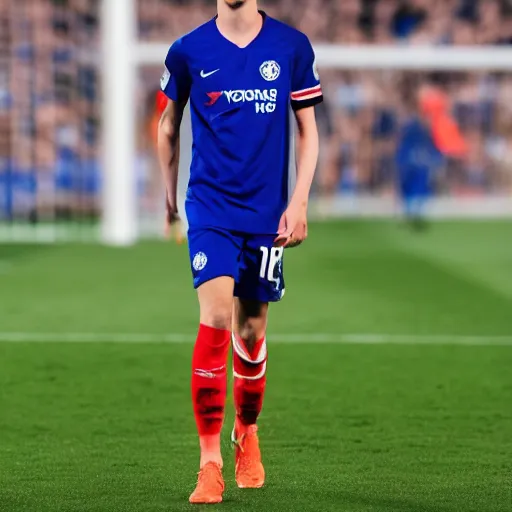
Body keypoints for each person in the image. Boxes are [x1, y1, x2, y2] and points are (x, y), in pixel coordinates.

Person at [158, 0, 322, 504]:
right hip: (210, 208)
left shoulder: (291, 47)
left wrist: (298, 202)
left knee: (251, 332)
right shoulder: (187, 51)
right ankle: (209, 463)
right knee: (215, 318)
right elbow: (168, 127)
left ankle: (246, 432)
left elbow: (309, 132)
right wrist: (170, 202)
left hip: (267, 215)